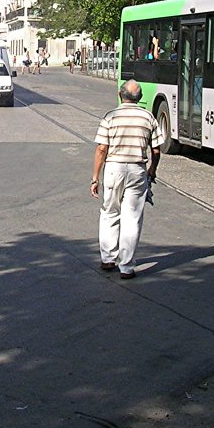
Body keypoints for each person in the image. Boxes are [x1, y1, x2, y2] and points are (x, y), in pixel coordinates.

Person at [90, 79, 164, 279]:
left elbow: (101, 149)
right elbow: (156, 150)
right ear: (139, 98)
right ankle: (127, 267)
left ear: (120, 95)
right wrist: (152, 170)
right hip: (137, 169)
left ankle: (108, 258)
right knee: (132, 217)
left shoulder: (110, 117)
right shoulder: (148, 117)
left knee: (109, 212)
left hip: (113, 168)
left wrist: (95, 177)